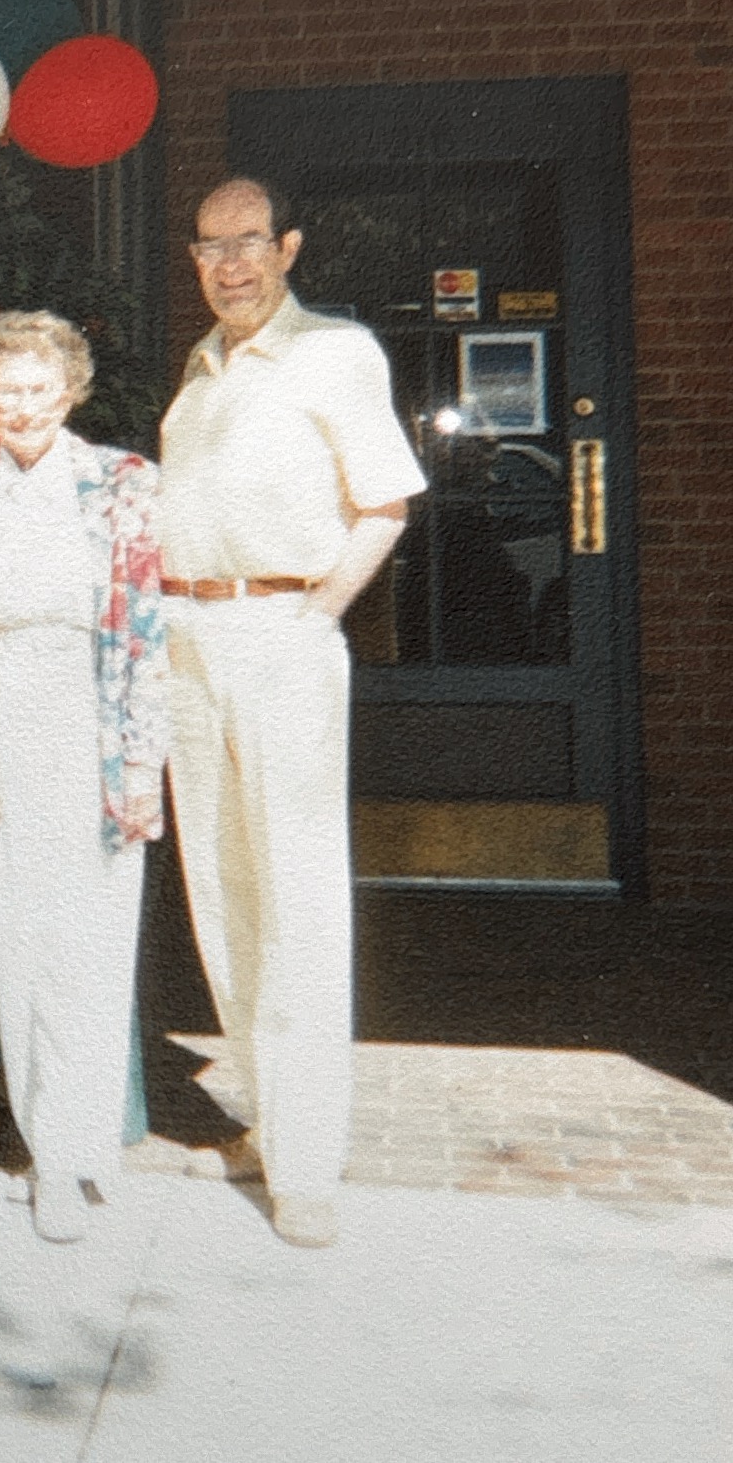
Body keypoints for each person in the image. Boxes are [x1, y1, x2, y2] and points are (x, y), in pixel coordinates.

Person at [158, 177, 426, 1249]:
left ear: (289, 247)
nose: (231, 263)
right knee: (221, 886)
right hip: (189, 640)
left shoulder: (338, 352)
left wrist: (317, 618)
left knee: (298, 892)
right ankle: (271, 1113)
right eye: (212, 246)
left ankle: (307, 1162)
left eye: (251, 243)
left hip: (282, 631)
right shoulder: (202, 363)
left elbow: (386, 503)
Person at [0, 310, 168, 1244]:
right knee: (22, 941)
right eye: (6, 388)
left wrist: (144, 763)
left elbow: (145, 628)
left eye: (40, 387)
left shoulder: (121, 481)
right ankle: (49, 1151)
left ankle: (76, 1151)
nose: (22, 405)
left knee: (92, 941)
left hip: (91, 722)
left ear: (70, 390)